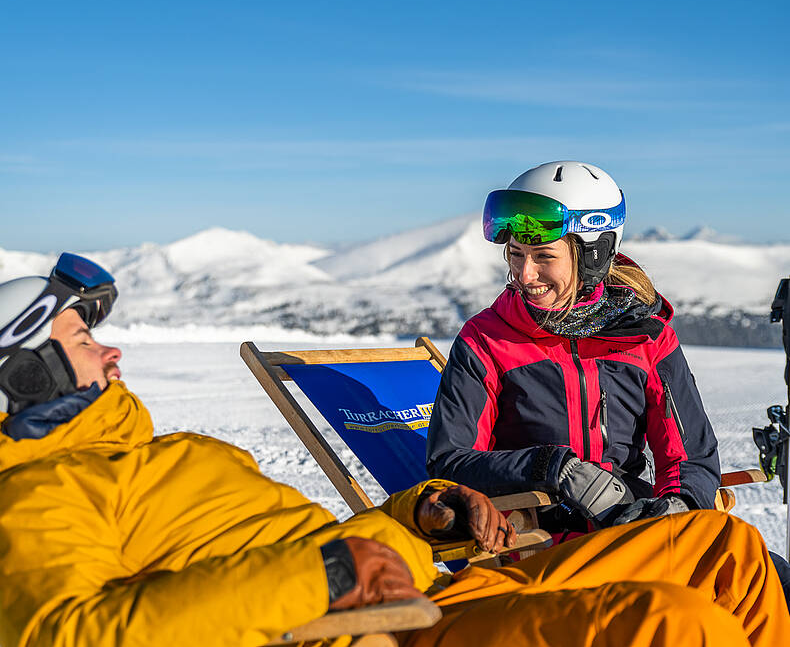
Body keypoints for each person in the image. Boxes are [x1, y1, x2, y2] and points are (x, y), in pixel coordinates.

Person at [0, 254, 787, 647]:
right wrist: (330, 572)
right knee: (665, 620)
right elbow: (66, 634)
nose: (113, 356)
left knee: (720, 542)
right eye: (84, 339)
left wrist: (427, 511)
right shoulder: (37, 495)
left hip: (435, 582)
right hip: (376, 628)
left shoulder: (158, 453)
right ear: (28, 371)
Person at [426, 160, 721, 533]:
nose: (524, 274)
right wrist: (553, 468)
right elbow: (451, 461)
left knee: (762, 570)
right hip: (536, 541)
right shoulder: (486, 339)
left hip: (632, 530)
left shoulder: (646, 335)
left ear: (593, 254)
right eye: (516, 254)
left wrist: (680, 504)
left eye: (544, 256)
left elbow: (690, 454)